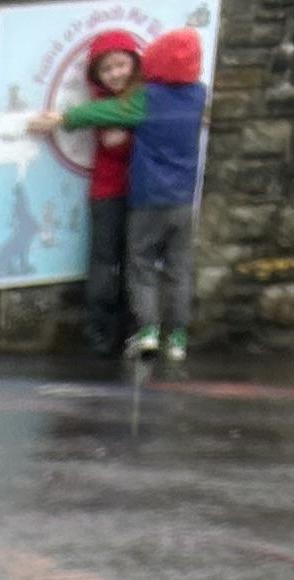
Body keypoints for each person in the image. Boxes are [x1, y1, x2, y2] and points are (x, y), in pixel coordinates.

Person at [29, 29, 144, 362]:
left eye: (121, 65)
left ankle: (133, 332)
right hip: (108, 192)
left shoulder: (139, 98)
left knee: (135, 265)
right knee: (105, 264)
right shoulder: (100, 104)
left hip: (140, 193)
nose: (115, 74)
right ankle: (99, 337)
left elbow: (124, 126)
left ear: (134, 64)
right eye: (106, 69)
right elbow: (114, 142)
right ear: (96, 75)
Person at [125, 26, 208, 366]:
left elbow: (106, 112)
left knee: (141, 264)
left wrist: (66, 117)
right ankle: (177, 339)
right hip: (183, 200)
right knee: (179, 269)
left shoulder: (146, 97)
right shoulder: (199, 95)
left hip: (147, 197)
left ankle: (147, 331)